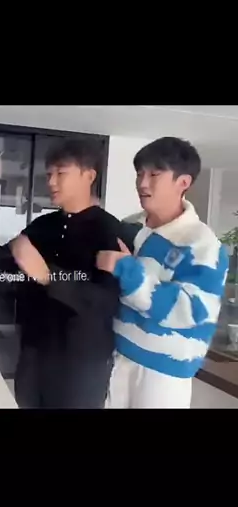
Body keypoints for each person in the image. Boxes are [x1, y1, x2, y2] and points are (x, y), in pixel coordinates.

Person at [0, 138, 135, 409]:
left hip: (82, 359)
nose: (51, 182)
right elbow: (10, 258)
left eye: (61, 173)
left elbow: (104, 302)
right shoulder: (43, 225)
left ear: (89, 176)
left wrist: (48, 276)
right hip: (34, 347)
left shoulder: (111, 231)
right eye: (49, 174)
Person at [96, 137, 229, 409]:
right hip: (117, 357)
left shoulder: (203, 243)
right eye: (139, 173)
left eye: (154, 174)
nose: (142, 183)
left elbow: (192, 309)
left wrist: (127, 271)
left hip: (163, 373)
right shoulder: (130, 227)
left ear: (183, 182)